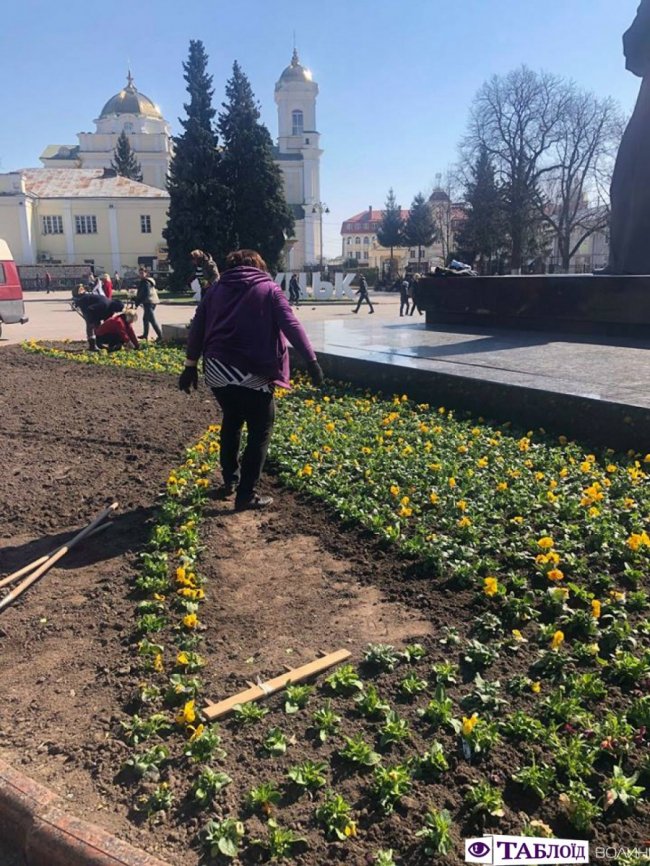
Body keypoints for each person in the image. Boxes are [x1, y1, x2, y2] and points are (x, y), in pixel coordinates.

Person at [179, 248, 324, 511]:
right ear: (259, 266)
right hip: (253, 369)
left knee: (232, 420)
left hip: (217, 369)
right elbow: (291, 325)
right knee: (260, 429)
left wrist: (190, 365)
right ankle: (246, 495)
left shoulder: (215, 289)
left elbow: (197, 326)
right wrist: (312, 362)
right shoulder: (269, 289)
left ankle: (229, 481)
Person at [135, 266, 162, 341]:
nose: (141, 274)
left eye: (142, 273)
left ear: (146, 273)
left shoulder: (146, 282)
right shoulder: (147, 281)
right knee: (145, 319)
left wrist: (137, 301)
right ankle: (145, 335)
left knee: (152, 320)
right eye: (140, 273)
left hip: (149, 302)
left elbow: (144, 293)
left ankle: (160, 336)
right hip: (150, 301)